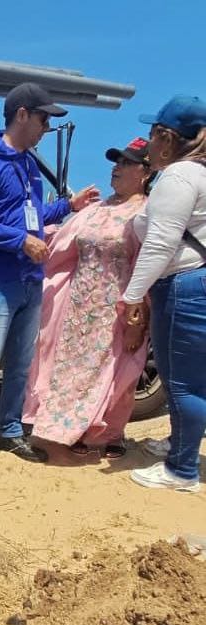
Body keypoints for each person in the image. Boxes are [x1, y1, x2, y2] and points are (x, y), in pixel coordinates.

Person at [0, 82, 99, 480]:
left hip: (30, 281)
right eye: (43, 119)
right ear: (22, 115)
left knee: (20, 365)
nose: (46, 128)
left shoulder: (28, 165)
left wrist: (68, 205)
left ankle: (10, 432)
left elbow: (33, 215)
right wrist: (20, 241)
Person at [23, 138, 154, 457]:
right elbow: (62, 242)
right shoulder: (94, 210)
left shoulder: (147, 213)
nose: (116, 168)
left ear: (145, 172)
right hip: (79, 308)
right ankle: (76, 429)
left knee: (120, 371)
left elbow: (149, 264)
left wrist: (139, 316)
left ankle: (112, 433)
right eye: (116, 161)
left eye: (126, 163)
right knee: (74, 371)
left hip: (120, 308)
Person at [122, 95, 206, 493]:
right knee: (185, 380)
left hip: (183, 286)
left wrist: (132, 295)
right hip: (197, 282)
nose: (149, 144)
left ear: (166, 138)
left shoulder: (179, 176)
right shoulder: (198, 174)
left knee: (183, 384)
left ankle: (182, 470)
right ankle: (179, 445)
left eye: (152, 135)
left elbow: (160, 242)